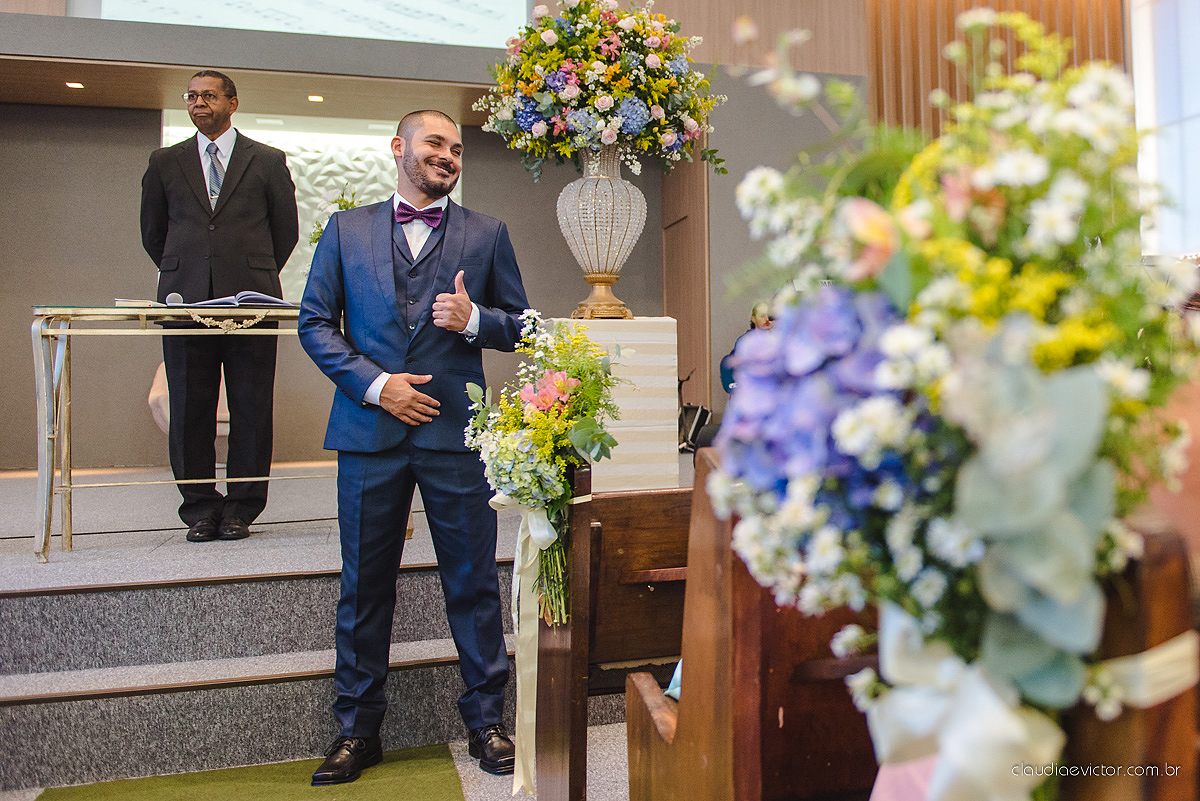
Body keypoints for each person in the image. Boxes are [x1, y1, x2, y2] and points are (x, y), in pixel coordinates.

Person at [298, 110, 529, 786]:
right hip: (368, 434)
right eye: (435, 143)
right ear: (399, 147)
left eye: (456, 148)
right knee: (364, 587)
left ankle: (488, 721)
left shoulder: (488, 233)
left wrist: (477, 319)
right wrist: (377, 387)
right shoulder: (346, 230)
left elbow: (523, 324)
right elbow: (314, 322)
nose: (447, 156)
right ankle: (357, 729)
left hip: (454, 434)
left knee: (473, 584)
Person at [140, 69, 299, 543]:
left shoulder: (268, 160)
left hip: (251, 300)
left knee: (251, 406)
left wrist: (251, 270)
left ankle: (241, 509)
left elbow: (284, 232)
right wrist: (183, 270)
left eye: (208, 95)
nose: (198, 103)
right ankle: (200, 509)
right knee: (189, 407)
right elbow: (153, 232)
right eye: (191, 96)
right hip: (184, 300)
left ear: (232, 102)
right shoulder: (164, 161)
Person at [719, 301, 773, 393]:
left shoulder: (779, 341)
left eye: (770, 316)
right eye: (762, 315)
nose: (767, 319)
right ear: (753, 319)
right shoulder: (745, 342)